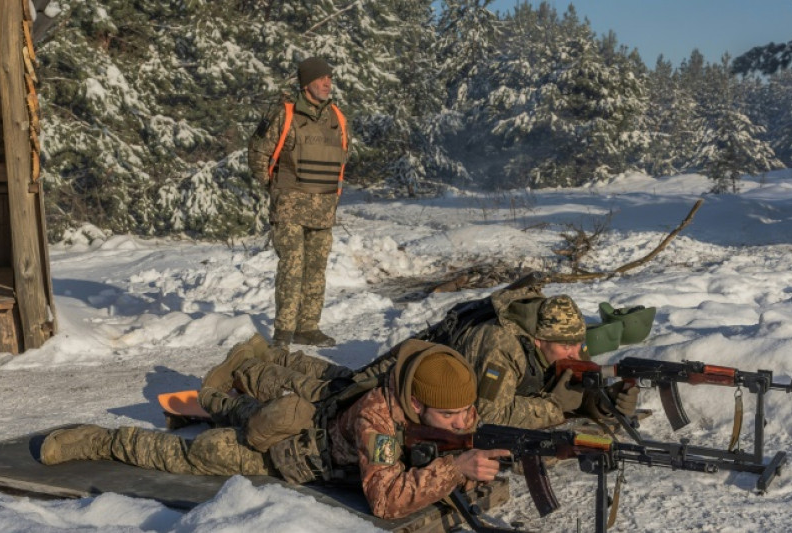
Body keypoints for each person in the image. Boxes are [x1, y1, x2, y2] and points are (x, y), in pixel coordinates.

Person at [40, 340, 510, 520]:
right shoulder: (379, 417)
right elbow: (385, 501)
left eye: (467, 412)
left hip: (303, 421)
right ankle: (95, 439)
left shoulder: (446, 413)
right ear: (413, 403)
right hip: (284, 454)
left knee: (242, 411)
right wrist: (455, 469)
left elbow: (452, 443)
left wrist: (473, 457)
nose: (463, 423)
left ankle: (216, 401)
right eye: (451, 416)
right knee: (194, 454)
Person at [205, 287, 640, 431]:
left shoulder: (540, 342)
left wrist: (595, 400)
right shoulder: (501, 346)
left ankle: (271, 354)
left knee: (346, 377)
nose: (575, 354)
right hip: (416, 373)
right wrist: (553, 410)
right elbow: (487, 411)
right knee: (335, 395)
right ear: (542, 338)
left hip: (432, 368)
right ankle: (247, 368)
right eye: (567, 347)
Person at [248, 57, 349, 348]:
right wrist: (277, 189)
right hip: (290, 207)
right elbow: (257, 154)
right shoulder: (285, 115)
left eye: (329, 78)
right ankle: (283, 332)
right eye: (321, 78)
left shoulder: (338, 119)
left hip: (323, 208)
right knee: (292, 268)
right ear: (306, 83)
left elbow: (343, 157)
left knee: (316, 270)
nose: (327, 83)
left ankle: (308, 327)